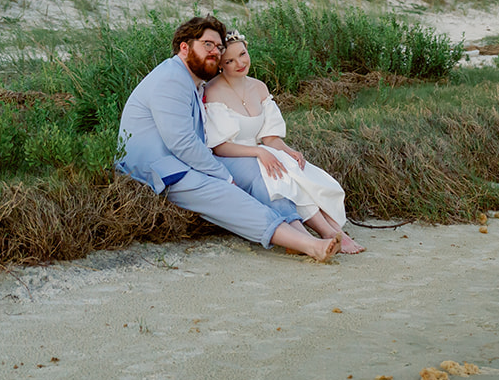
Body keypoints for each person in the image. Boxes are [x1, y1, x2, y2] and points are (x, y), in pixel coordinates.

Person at [116, 15, 339, 262]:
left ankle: (296, 227)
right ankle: (310, 245)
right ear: (185, 47)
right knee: (228, 194)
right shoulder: (170, 79)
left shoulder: (193, 82)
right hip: (161, 167)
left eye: (219, 47)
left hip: (182, 159)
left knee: (256, 170)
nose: (215, 51)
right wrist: (224, 176)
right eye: (207, 44)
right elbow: (181, 142)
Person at [201, 32, 364, 254]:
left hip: (262, 151)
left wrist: (288, 151)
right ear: (220, 64)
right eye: (229, 61)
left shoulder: (258, 87)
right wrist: (259, 152)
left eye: (242, 54)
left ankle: (329, 231)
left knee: (294, 169)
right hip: (231, 156)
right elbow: (219, 146)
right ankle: (306, 237)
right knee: (271, 177)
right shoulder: (212, 91)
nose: (240, 63)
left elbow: (270, 138)